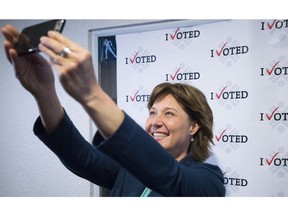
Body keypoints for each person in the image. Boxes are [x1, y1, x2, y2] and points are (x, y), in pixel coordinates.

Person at [1, 24, 226, 197]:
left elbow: (172, 178)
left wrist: (92, 95)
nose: (155, 121)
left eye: (169, 113)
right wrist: (44, 92)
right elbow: (80, 155)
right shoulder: (128, 170)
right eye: (152, 112)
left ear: (194, 126)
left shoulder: (208, 181)